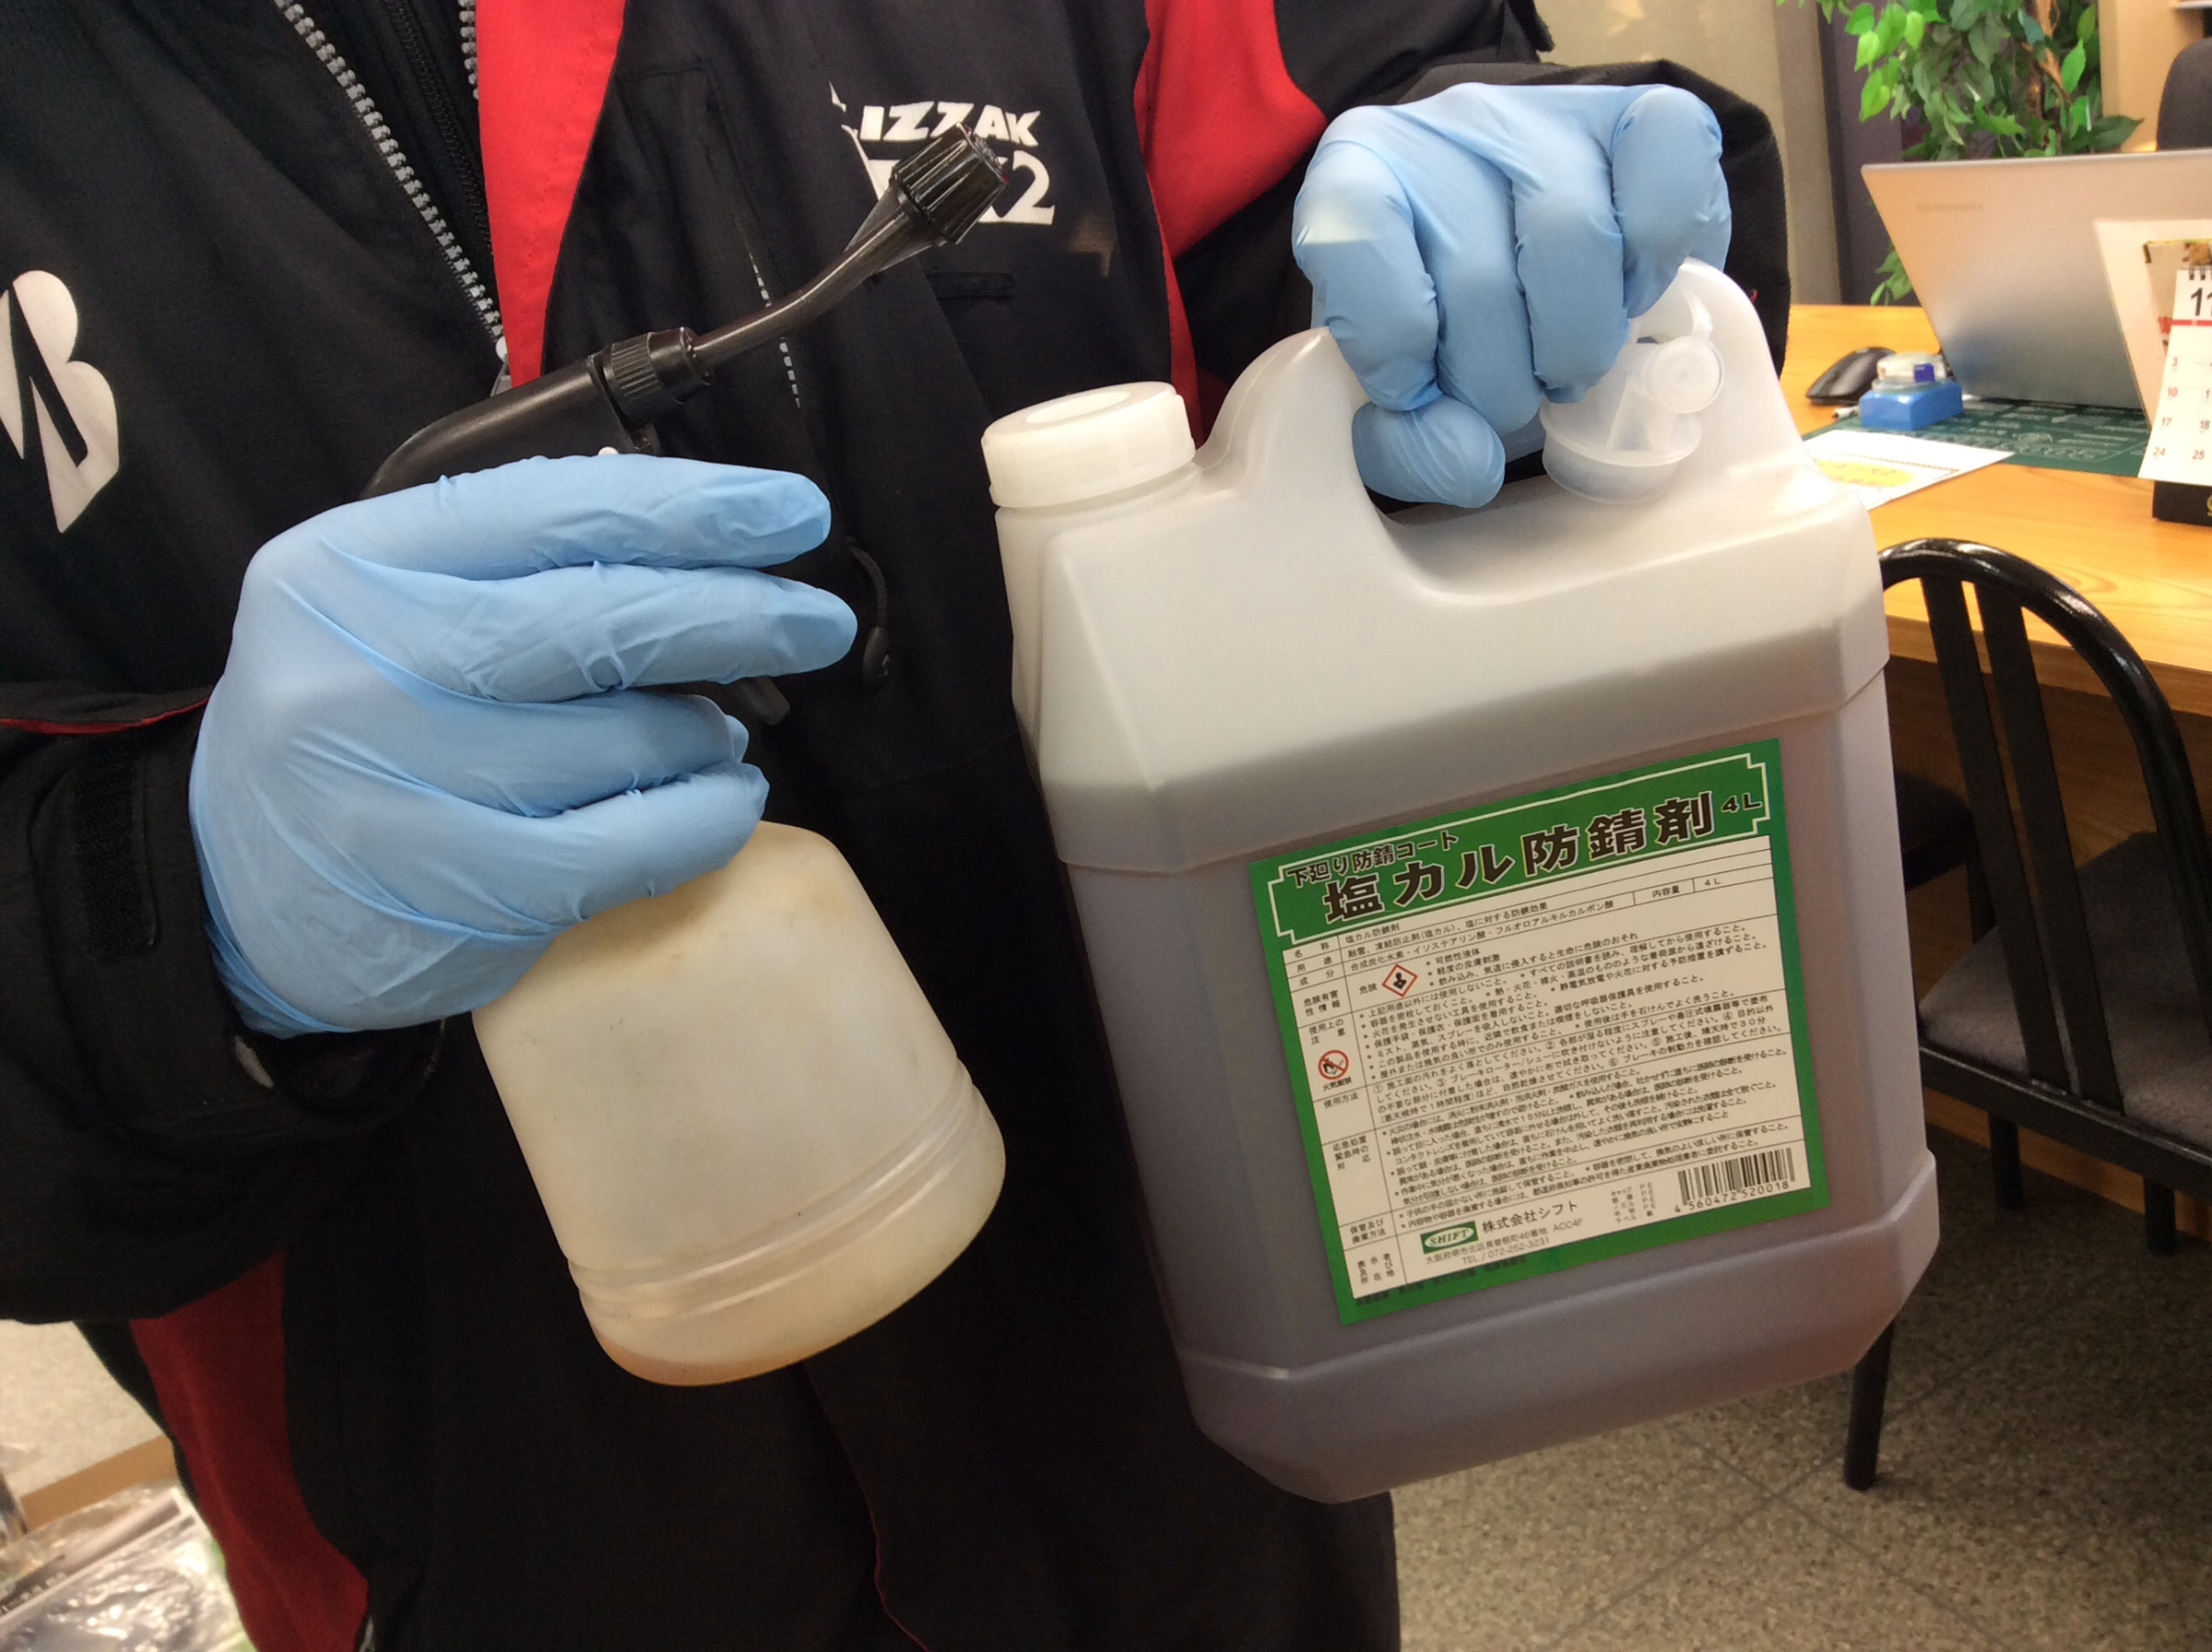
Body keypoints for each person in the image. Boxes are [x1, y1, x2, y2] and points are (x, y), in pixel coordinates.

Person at [0, 2, 1769, 1646]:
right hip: (496, 1548)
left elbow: (1411, 151)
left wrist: (1513, 241)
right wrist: (175, 910)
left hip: (1189, 1429)